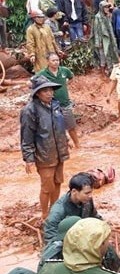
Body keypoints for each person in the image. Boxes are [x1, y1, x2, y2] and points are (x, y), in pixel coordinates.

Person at [20, 76, 68, 220]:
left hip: (59, 151)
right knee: (47, 186)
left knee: (58, 181)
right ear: (37, 93)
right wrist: (29, 158)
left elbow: (60, 126)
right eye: (45, 91)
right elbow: (26, 136)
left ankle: (54, 210)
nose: (49, 93)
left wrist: (66, 139)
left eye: (51, 90)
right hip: (44, 154)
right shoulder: (30, 110)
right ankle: (45, 214)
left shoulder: (55, 105)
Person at [43, 172, 101, 243]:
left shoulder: (86, 199)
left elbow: (94, 216)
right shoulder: (58, 211)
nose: (90, 196)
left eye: (91, 192)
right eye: (87, 193)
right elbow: (50, 238)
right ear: (74, 191)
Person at [38, 53, 81, 149]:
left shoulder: (64, 70)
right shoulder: (43, 74)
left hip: (65, 103)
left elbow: (71, 77)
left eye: (57, 60)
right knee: (56, 127)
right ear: (48, 62)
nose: (56, 62)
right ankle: (64, 144)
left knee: (71, 126)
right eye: (53, 60)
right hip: (51, 105)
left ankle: (77, 145)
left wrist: (66, 84)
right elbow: (33, 82)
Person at [93, 1, 119, 75]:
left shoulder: (107, 16)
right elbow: (96, 30)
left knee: (112, 53)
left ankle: (111, 70)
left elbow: (110, 28)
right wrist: (98, 42)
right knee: (103, 56)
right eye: (105, 7)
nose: (107, 9)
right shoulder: (97, 17)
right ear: (101, 8)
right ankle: (103, 73)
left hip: (109, 38)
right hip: (102, 39)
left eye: (108, 7)